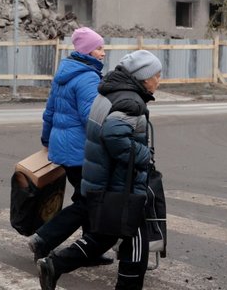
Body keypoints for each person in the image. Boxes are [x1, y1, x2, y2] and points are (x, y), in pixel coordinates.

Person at [37, 49, 163, 290]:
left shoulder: (108, 94)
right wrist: (145, 156)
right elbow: (114, 135)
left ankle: (54, 264)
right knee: (136, 240)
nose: (159, 81)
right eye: (156, 75)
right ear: (143, 77)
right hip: (121, 183)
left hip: (103, 178)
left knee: (104, 236)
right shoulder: (131, 103)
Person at [29, 27, 110, 264]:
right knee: (90, 200)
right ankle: (43, 239)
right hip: (81, 150)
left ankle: (89, 250)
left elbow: (50, 113)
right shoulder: (87, 77)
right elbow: (91, 118)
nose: (103, 53)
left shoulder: (65, 73)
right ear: (86, 50)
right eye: (99, 48)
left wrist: (46, 140)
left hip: (64, 148)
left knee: (86, 197)